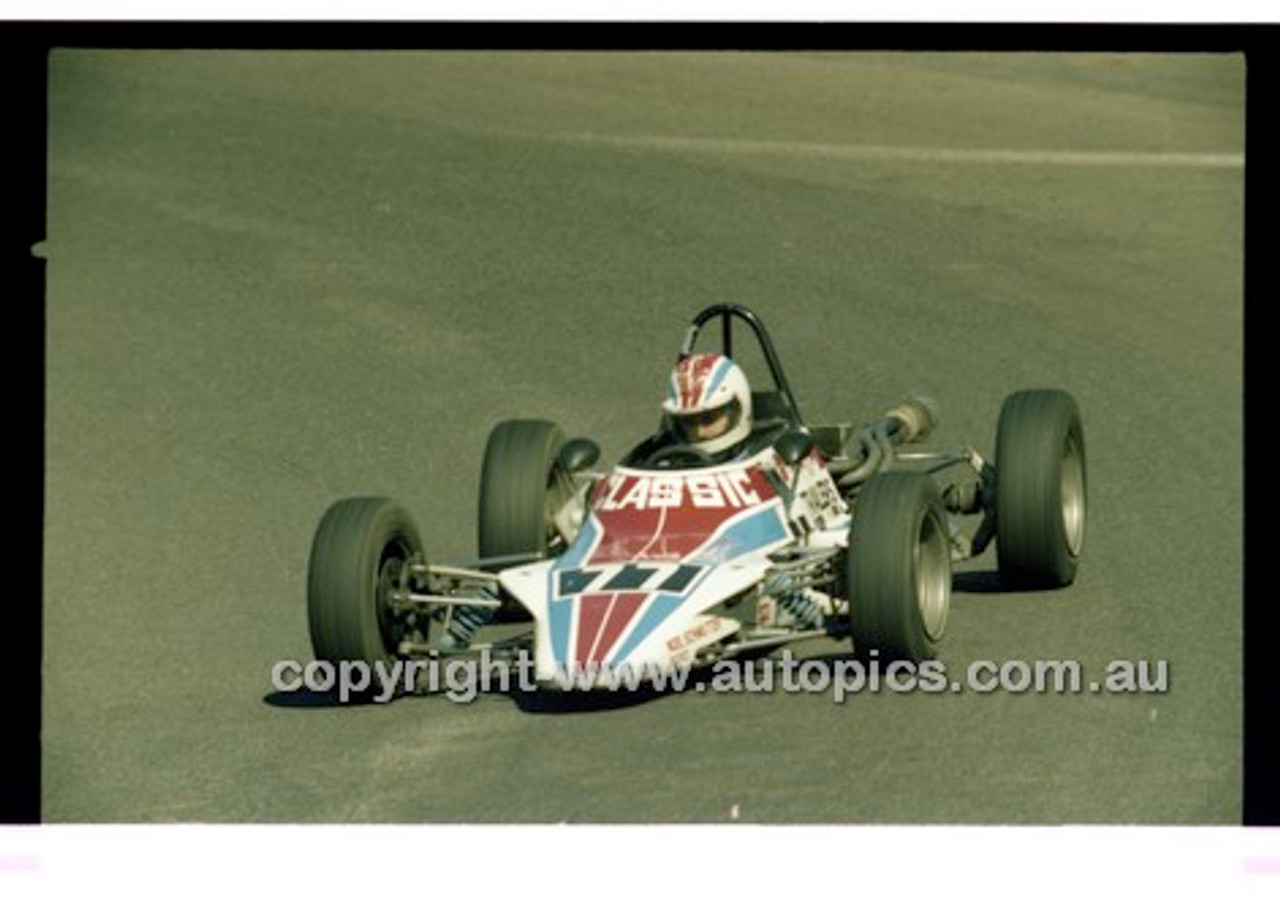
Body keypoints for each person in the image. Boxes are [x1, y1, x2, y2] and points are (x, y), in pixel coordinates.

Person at [659, 352, 754, 462]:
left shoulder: (763, 464)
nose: (699, 432)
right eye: (689, 421)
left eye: (708, 419)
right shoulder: (664, 466)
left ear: (734, 411)